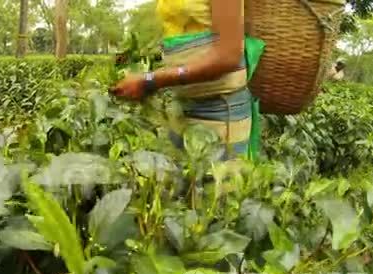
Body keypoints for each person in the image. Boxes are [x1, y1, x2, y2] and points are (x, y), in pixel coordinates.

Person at [110, 0, 264, 161]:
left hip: (219, 111)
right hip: (183, 108)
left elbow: (227, 56)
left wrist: (150, 80)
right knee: (184, 180)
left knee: (219, 181)